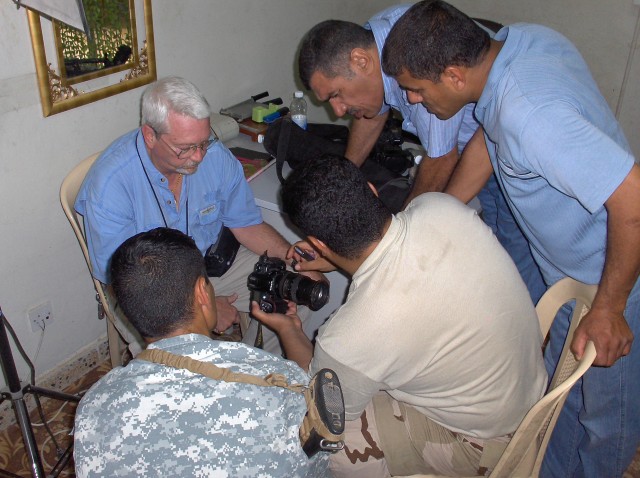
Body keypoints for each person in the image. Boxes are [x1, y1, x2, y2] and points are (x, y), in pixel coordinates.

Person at [381, 2, 640, 476]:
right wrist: (438, 215)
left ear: (455, 76)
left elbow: (635, 200)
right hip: (570, 279)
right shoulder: (522, 44)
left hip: (613, 280)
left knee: (606, 421)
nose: (412, 102)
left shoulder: (532, 115)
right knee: (560, 403)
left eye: (415, 90)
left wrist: (610, 308)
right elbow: (489, 135)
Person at [252, 154, 547, 477]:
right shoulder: (439, 208)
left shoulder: (354, 332)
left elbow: (323, 411)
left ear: (317, 244)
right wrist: (336, 259)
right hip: (527, 395)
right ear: (371, 191)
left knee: (301, 432)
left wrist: (290, 329)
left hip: (482, 445)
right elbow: (404, 265)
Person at [298, 8, 546, 304]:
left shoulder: (414, 59)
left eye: (337, 94)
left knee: (523, 264)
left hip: (509, 154)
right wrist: (340, 187)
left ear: (359, 61)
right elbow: (371, 112)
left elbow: (442, 159)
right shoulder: (373, 43)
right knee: (498, 252)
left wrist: (392, 244)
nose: (337, 110)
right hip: (482, 147)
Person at [75, 76, 322, 356]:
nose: (198, 157)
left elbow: (247, 225)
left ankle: (259, 373)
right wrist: (206, 307)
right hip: (147, 290)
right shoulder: (110, 185)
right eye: (185, 148)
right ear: (149, 136)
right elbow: (123, 281)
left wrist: (297, 262)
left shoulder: (215, 157)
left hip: (209, 265)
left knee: (294, 291)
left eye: (203, 143)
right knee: (184, 353)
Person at [73, 227, 329, 477]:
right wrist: (290, 331)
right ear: (202, 293)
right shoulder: (275, 380)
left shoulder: (94, 405)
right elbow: (322, 415)